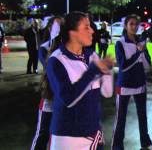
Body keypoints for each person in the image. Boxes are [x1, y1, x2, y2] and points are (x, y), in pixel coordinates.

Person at [46, 11, 114, 149]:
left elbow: (107, 93)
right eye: (86, 27)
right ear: (73, 32)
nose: (92, 31)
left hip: (93, 133)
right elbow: (68, 99)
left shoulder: (92, 56)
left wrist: (107, 71)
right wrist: (93, 71)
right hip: (67, 138)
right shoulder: (57, 60)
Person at [112, 14, 152, 150]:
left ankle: (145, 142)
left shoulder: (141, 42)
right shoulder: (120, 43)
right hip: (124, 85)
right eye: (131, 24)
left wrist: (143, 53)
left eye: (136, 24)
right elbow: (123, 65)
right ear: (126, 26)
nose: (134, 27)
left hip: (140, 84)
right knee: (121, 118)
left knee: (142, 116)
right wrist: (138, 53)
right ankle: (117, 146)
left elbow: (147, 65)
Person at [30, 16, 63, 150]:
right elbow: (50, 66)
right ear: (50, 29)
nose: (60, 29)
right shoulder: (44, 48)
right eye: (57, 26)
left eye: (62, 26)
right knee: (43, 133)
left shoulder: (69, 47)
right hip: (50, 96)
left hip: (65, 98)